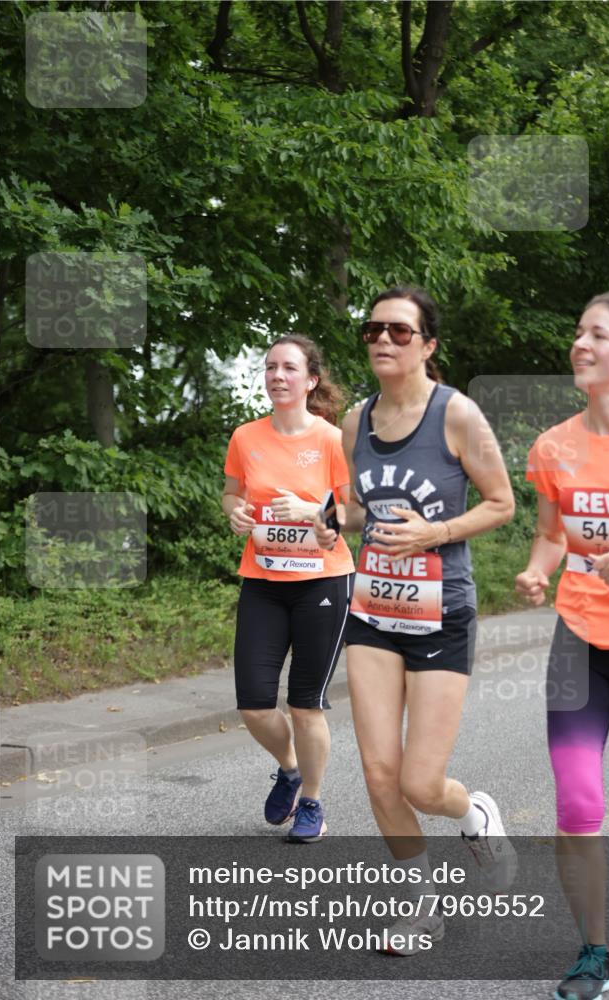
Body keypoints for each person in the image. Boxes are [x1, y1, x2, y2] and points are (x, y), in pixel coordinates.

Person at [316, 286, 517, 955]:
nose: (381, 340)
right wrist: (322, 519)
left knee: (419, 783)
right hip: (372, 609)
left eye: (399, 332)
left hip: (440, 614)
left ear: (428, 345)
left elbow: (500, 503)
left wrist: (436, 531)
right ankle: (418, 903)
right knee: (377, 773)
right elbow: (352, 510)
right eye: (373, 329)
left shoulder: (456, 414)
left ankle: (472, 813)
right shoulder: (355, 422)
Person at [516, 288, 609, 1000]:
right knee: (576, 805)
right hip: (576, 639)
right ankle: (594, 953)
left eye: (595, 334)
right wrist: (535, 571)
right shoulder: (553, 446)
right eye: (577, 331)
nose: (579, 343)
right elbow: (549, 532)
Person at [222, 334, 355, 843]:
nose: (278, 376)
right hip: (262, 582)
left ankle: (313, 803)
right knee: (254, 704)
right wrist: (232, 509)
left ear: (310, 380)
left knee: (305, 704)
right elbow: (231, 493)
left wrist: (314, 513)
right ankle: (291, 767)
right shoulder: (245, 437)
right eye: (271, 367)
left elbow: (356, 513)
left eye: (289, 368)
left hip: (323, 583)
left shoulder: (330, 439)